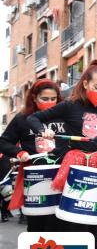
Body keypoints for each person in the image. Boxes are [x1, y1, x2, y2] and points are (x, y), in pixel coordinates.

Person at [28, 61, 97, 249]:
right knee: (73, 210)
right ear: (85, 84)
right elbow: (33, 118)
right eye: (96, 87)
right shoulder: (69, 106)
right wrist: (43, 131)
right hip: (75, 162)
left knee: (95, 211)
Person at [0, 79, 68, 232]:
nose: (49, 102)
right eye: (45, 99)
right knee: (37, 222)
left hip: (62, 175)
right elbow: (3, 142)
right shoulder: (22, 118)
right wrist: (20, 152)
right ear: (34, 98)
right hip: (36, 177)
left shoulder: (65, 117)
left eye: (53, 99)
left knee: (61, 221)